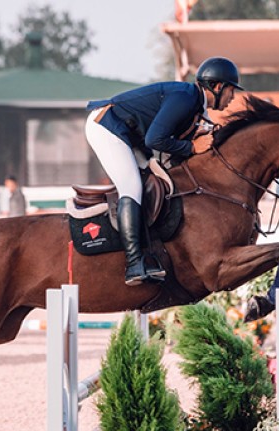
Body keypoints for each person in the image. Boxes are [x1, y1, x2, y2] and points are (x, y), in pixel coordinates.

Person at [85, 56, 241, 286]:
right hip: (107, 126)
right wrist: (191, 147)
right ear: (217, 87)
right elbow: (155, 139)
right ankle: (134, 263)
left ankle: (150, 251)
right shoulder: (186, 97)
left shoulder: (197, 106)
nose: (233, 98)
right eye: (231, 91)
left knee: (156, 182)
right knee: (132, 188)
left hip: (130, 136)